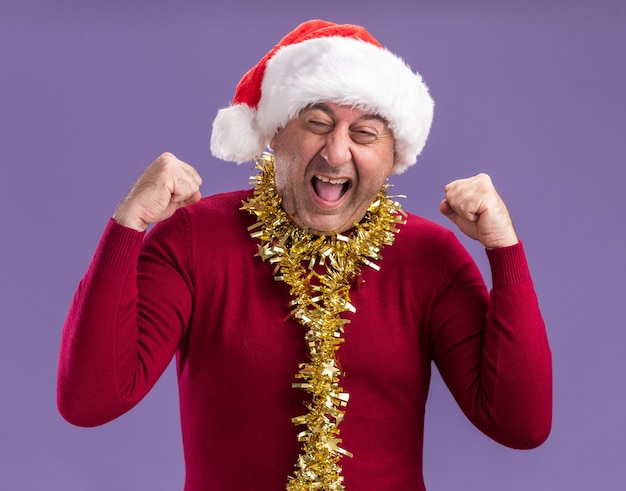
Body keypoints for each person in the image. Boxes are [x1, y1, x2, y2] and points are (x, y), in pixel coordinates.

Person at [57, 19, 552, 491]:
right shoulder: (192, 238)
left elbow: (520, 424)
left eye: (365, 134)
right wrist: (129, 224)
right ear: (274, 134)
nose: (337, 153)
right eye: (317, 123)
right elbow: (89, 400)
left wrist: (503, 249)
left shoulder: (430, 256)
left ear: (392, 154)